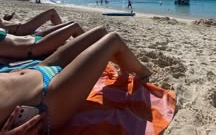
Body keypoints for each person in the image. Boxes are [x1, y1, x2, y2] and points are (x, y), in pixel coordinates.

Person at [0, 26, 151, 133]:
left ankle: (121, 68)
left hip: (37, 69)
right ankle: (144, 74)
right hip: (46, 98)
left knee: (100, 32)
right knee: (113, 40)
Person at [0, 22, 84, 61]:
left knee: (72, 23)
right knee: (75, 27)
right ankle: (94, 56)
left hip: (33, 38)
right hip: (35, 47)